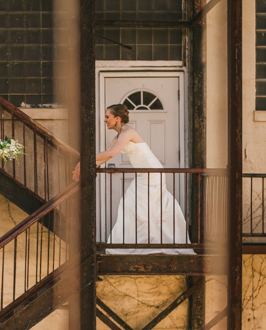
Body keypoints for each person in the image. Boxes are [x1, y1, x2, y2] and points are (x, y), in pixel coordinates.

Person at [73, 104, 194, 255]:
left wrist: (85, 160)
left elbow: (112, 154)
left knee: (148, 208)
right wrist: (84, 168)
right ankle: (130, 246)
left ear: (117, 118)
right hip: (142, 175)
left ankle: (151, 245)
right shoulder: (118, 135)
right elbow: (105, 155)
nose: (105, 120)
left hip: (152, 173)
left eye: (107, 117)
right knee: (129, 205)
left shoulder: (128, 131)